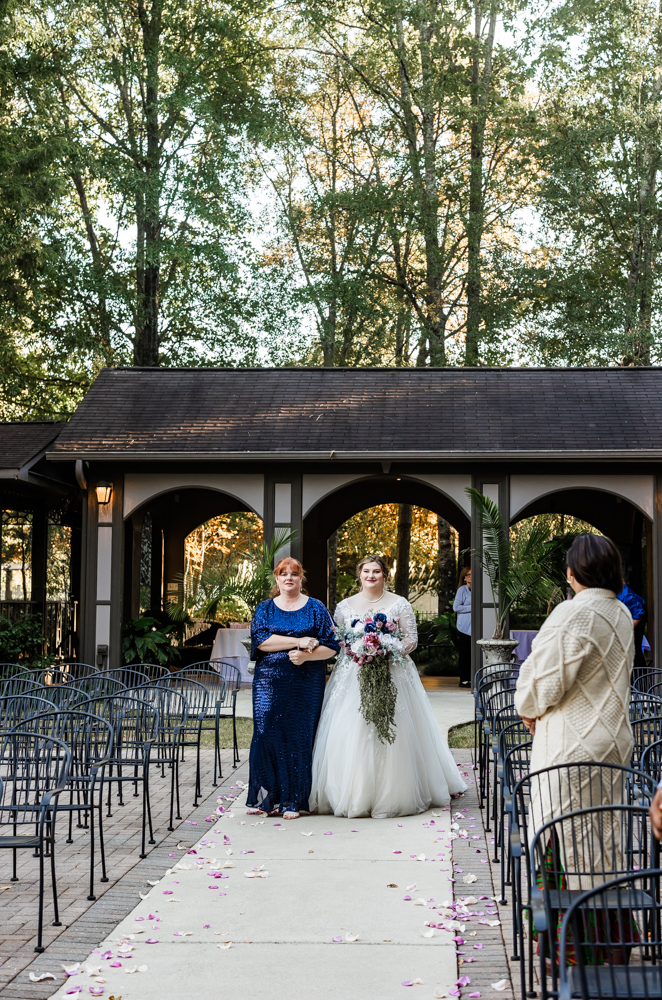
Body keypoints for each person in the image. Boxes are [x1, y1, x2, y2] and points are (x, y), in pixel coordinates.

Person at [514, 534, 634, 960]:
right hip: (614, 740)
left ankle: (574, 950)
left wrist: (527, 706)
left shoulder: (573, 612)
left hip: (573, 742)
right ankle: (613, 943)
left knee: (561, 837)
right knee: (604, 837)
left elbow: (543, 682)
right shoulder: (620, 612)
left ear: (572, 571)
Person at [310, 554, 466, 818]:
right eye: (366, 571)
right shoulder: (344, 606)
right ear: (359, 575)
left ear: (385, 575)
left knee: (396, 727)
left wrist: (386, 648)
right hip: (353, 673)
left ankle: (394, 792)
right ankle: (351, 793)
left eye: (377, 572)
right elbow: (338, 640)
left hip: (393, 671)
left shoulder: (399, 603)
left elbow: (411, 640)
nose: (371, 576)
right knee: (350, 726)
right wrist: (359, 649)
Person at [246, 557, 339, 820]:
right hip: (268, 682)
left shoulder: (316, 608)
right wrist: (299, 641)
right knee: (265, 734)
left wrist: (307, 655)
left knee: (299, 736)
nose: (289, 578)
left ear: (301, 579)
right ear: (276, 579)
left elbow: (331, 645)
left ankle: (294, 800)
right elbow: (262, 642)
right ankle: (270, 798)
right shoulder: (264, 609)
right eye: (283, 573)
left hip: (305, 683)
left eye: (294, 574)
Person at [616, 581, 647, 679]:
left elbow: (639, 612)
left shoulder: (622, 594)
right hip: (628, 616)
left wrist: (626, 629)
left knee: (634, 652)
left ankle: (640, 689)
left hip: (636, 617)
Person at [453, 566, 472, 688]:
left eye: (473, 575)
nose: (471, 577)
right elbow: (456, 607)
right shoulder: (462, 590)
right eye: (469, 575)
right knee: (465, 654)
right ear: (464, 577)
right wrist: (472, 608)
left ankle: (472, 678)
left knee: (473, 654)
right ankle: (464, 679)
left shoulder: (478, 589)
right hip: (464, 627)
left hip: (475, 628)